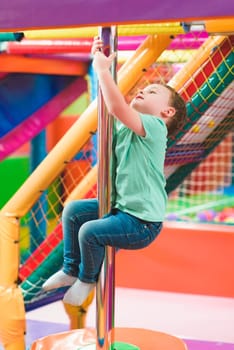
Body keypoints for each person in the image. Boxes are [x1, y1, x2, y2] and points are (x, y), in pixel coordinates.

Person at [42, 37, 187, 306]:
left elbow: (117, 107)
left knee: (90, 231)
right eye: (145, 88)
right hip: (121, 209)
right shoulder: (129, 129)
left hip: (141, 223)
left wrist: (102, 70)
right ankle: (71, 268)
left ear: (166, 112)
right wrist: (101, 58)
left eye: (153, 92)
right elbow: (114, 111)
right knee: (74, 211)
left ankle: (87, 279)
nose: (144, 90)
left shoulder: (156, 128)